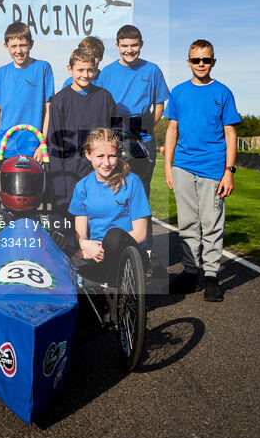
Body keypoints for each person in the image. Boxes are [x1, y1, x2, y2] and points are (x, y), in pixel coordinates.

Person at [163, 39, 240, 302]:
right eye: (196, 60)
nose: (201, 64)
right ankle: (189, 272)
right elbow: (172, 131)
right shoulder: (179, 92)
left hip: (213, 168)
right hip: (183, 166)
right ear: (188, 62)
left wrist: (229, 171)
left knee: (211, 223)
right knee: (187, 223)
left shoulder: (223, 93)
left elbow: (231, 133)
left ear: (213, 62)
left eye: (206, 60)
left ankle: (210, 277)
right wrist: (168, 167)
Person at [68, 128, 151, 283]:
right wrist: (85, 244)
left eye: (112, 156)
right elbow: (81, 233)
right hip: (96, 256)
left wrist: (105, 249)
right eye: (100, 156)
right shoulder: (82, 187)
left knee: (114, 235)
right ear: (88, 155)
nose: (106, 163)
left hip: (126, 253)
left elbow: (140, 234)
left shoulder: (133, 182)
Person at [46, 47, 121, 213]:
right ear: (70, 69)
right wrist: (60, 189)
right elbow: (54, 145)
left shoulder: (105, 97)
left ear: (95, 70)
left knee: (100, 218)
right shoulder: (60, 100)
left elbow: (118, 133)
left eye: (90, 70)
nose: (85, 75)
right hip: (70, 172)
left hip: (101, 169)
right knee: (72, 223)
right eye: (80, 70)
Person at [96, 25, 169, 195]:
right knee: (113, 191)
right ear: (117, 46)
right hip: (114, 138)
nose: (129, 50)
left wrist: (147, 126)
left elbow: (159, 105)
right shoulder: (107, 72)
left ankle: (141, 222)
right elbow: (101, 106)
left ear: (141, 44)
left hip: (143, 138)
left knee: (140, 190)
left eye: (134, 45)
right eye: (124, 46)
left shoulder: (152, 70)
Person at [0, 22, 54, 168]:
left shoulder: (43, 68)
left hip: (33, 149)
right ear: (6, 46)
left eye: (23, 45)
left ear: (31, 44)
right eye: (13, 46)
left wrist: (43, 145)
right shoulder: (1, 73)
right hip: (3, 149)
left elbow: (49, 110)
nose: (19, 51)